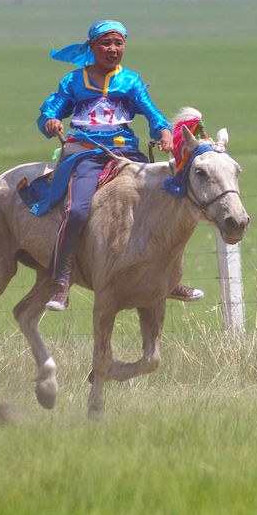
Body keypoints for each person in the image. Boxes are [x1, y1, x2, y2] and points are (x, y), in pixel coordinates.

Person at [37, 19, 203, 311]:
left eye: (118, 43)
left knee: (168, 200)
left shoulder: (130, 81)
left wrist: (163, 133)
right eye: (105, 43)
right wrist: (50, 121)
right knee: (76, 211)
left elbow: (152, 114)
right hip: (85, 153)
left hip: (126, 153)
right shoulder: (74, 81)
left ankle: (168, 278)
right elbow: (51, 110)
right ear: (92, 46)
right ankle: (61, 280)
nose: (112, 49)